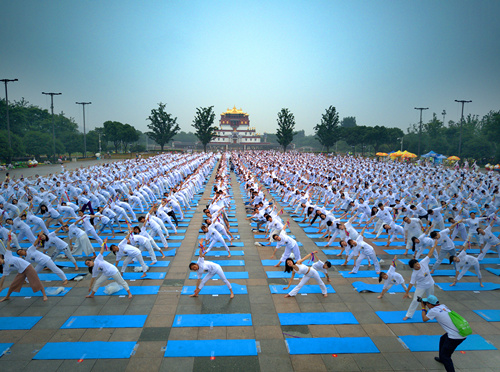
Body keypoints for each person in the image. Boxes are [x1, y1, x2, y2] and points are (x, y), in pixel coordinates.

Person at [421, 295, 467, 372]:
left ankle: (444, 360)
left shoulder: (433, 311)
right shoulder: (443, 306)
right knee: (442, 339)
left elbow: (424, 319)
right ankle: (442, 359)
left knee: (446, 356)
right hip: (460, 331)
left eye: (427, 303)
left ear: (429, 304)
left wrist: (423, 307)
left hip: (455, 336)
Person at [403, 240, 437, 320]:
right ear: (413, 267)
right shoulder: (414, 273)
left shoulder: (423, 262)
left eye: (417, 264)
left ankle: (432, 313)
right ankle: (408, 315)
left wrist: (434, 245)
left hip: (430, 284)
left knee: (431, 299)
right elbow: (411, 284)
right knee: (415, 300)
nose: (418, 266)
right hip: (421, 286)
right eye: (416, 266)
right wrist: (407, 292)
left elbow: (429, 254)